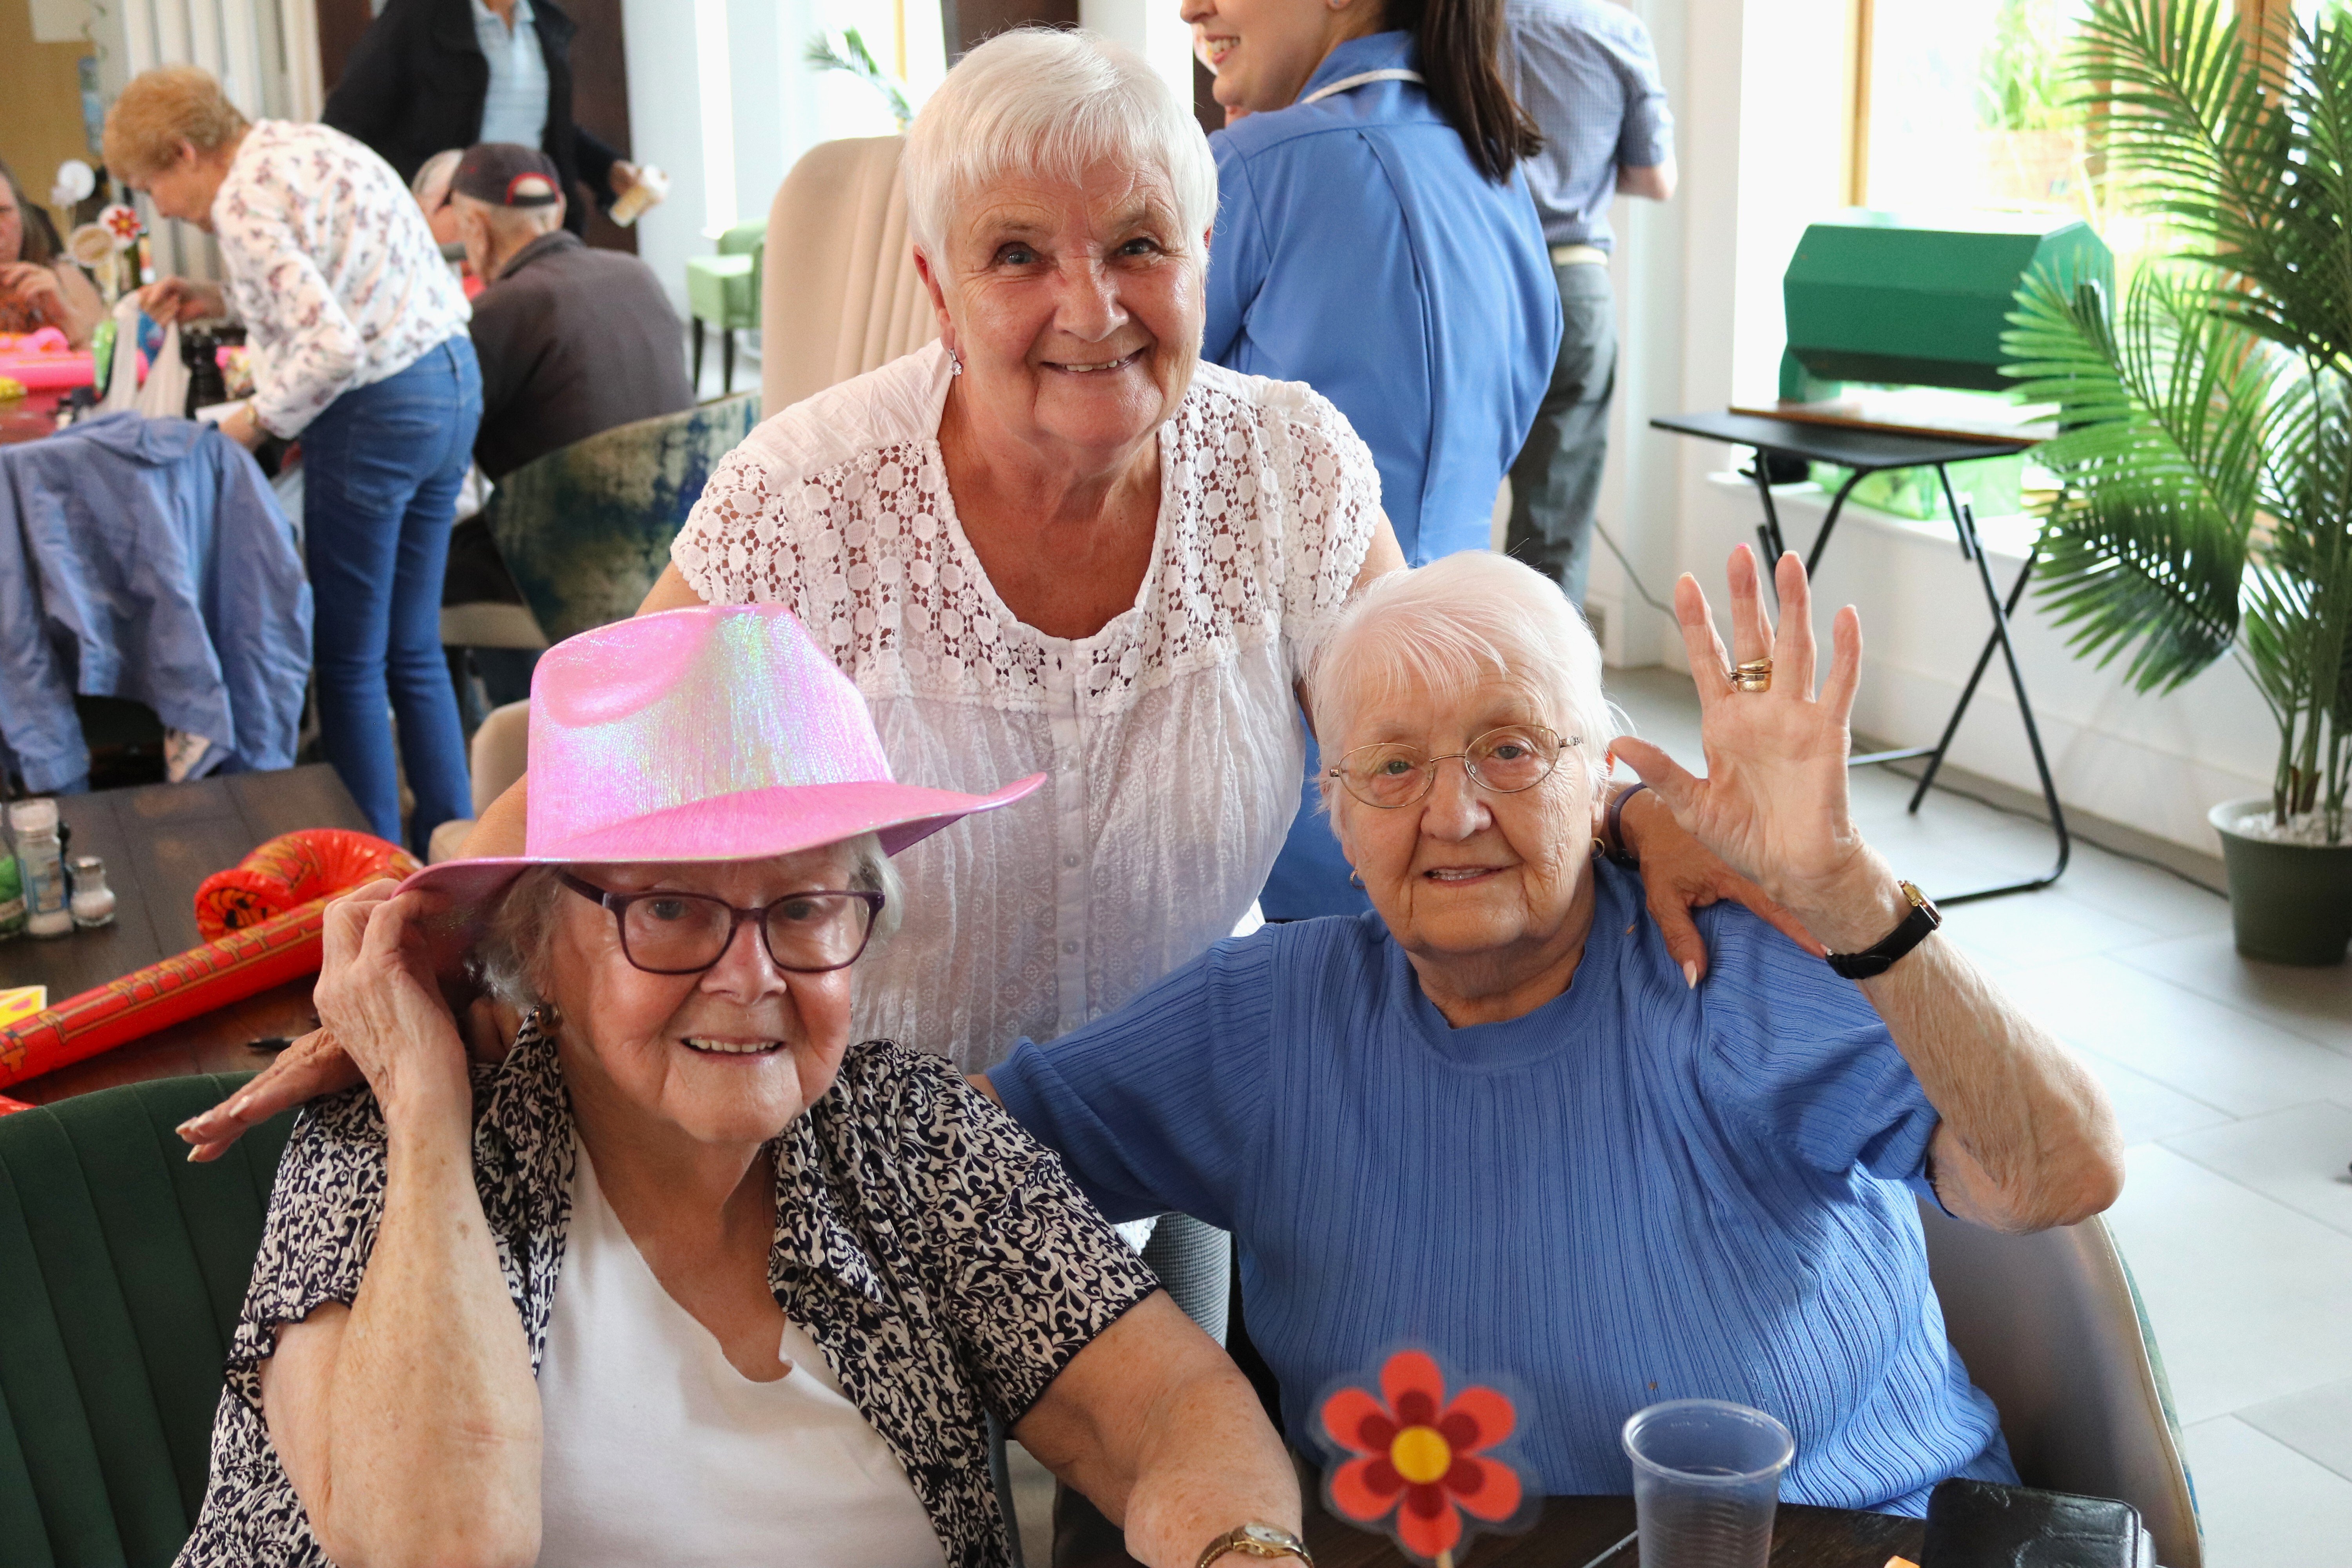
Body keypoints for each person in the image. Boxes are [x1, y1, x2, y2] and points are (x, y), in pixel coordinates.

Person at [982, 547, 2127, 1517]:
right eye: (1389, 766)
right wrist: (1162, 1395)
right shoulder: (1263, 1019)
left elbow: (2060, 1175)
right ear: (1330, 812)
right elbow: (951, 1161)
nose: (1454, 811)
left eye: (1512, 747)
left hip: (1843, 1537)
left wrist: (1849, 894)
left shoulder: (1718, 965)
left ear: (1599, 784)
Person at [171, 602, 1308, 1568]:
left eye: (806, 907)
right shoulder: (386, 1151)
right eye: (670, 908)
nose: (750, 976)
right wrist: (424, 1110)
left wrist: (1243, 1551)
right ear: (541, 943)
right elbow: (430, 1549)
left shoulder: (912, 1138)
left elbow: (1168, 1407)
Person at [1181, 0, 1562, 920]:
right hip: (1487, 699)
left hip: (1305, 737)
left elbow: (1129, 446)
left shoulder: (1253, 170)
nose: (1191, 6)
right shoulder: (1499, 180)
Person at [108, 66, 478, 854]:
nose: (160, 208)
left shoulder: (240, 199)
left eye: (151, 187)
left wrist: (241, 430)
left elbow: (331, 348)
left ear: (185, 152)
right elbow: (342, 283)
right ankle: (454, 840)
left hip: (378, 408)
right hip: (451, 384)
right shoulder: (307, 146)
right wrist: (222, 298)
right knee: (411, 643)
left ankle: (368, 871)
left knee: (345, 658)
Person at [1501, 0, 1676, 608]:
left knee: (1441, 505)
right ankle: (1543, 699)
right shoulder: (1617, 31)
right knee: (1553, 531)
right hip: (1575, 286)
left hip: (1470, 280)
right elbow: (1657, 179)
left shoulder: (1456, 22)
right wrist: (1581, 174)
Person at [452, 142, 693, 481]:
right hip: (690, 511)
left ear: (476, 227)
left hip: (572, 526)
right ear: (560, 210)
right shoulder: (640, 273)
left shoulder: (494, 311)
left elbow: (440, 443)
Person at [324, 0, 641, 238]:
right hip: (452, 234)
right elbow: (344, 127)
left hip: (534, 227)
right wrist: (415, 200)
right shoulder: (417, 15)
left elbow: (543, 125)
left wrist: (608, 170)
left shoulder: (545, 23)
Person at [0, 158, 103, 347]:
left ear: (23, 216)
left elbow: (106, 368)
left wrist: (67, 318)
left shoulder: (64, 280)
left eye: (3, 212)